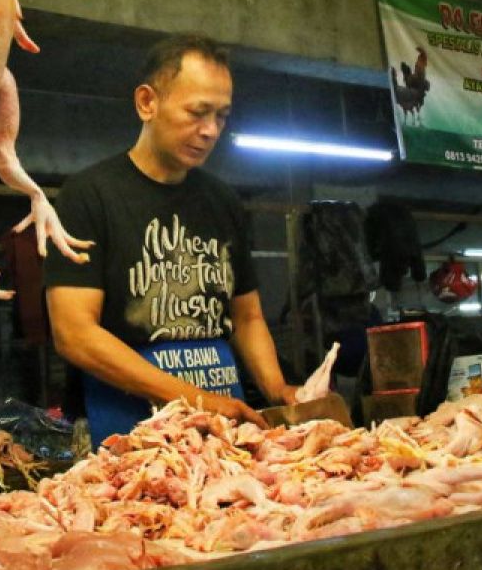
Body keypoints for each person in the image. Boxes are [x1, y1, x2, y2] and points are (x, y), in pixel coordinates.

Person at [44, 33, 299, 444]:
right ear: (147, 102)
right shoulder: (88, 196)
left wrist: (278, 390)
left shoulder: (223, 201)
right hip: (125, 428)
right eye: (198, 112)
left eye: (222, 116)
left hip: (220, 424)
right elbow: (74, 333)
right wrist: (196, 400)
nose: (211, 130)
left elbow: (247, 317)